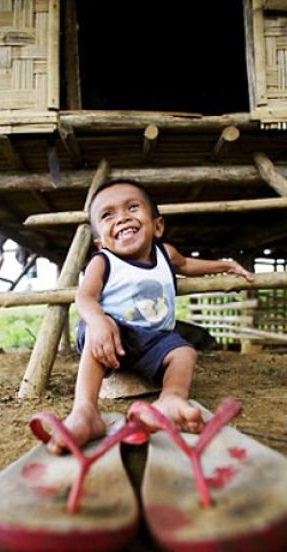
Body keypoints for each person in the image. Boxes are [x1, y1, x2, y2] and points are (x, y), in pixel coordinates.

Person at [48, 179, 254, 453]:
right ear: (101, 242)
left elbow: (189, 264)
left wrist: (225, 265)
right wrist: (97, 322)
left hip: (154, 341)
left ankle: (170, 399)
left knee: (185, 351)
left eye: (132, 207)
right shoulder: (103, 261)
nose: (122, 217)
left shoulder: (165, 254)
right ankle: (86, 411)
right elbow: (85, 297)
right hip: (110, 337)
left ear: (157, 226)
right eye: (108, 215)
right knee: (102, 323)